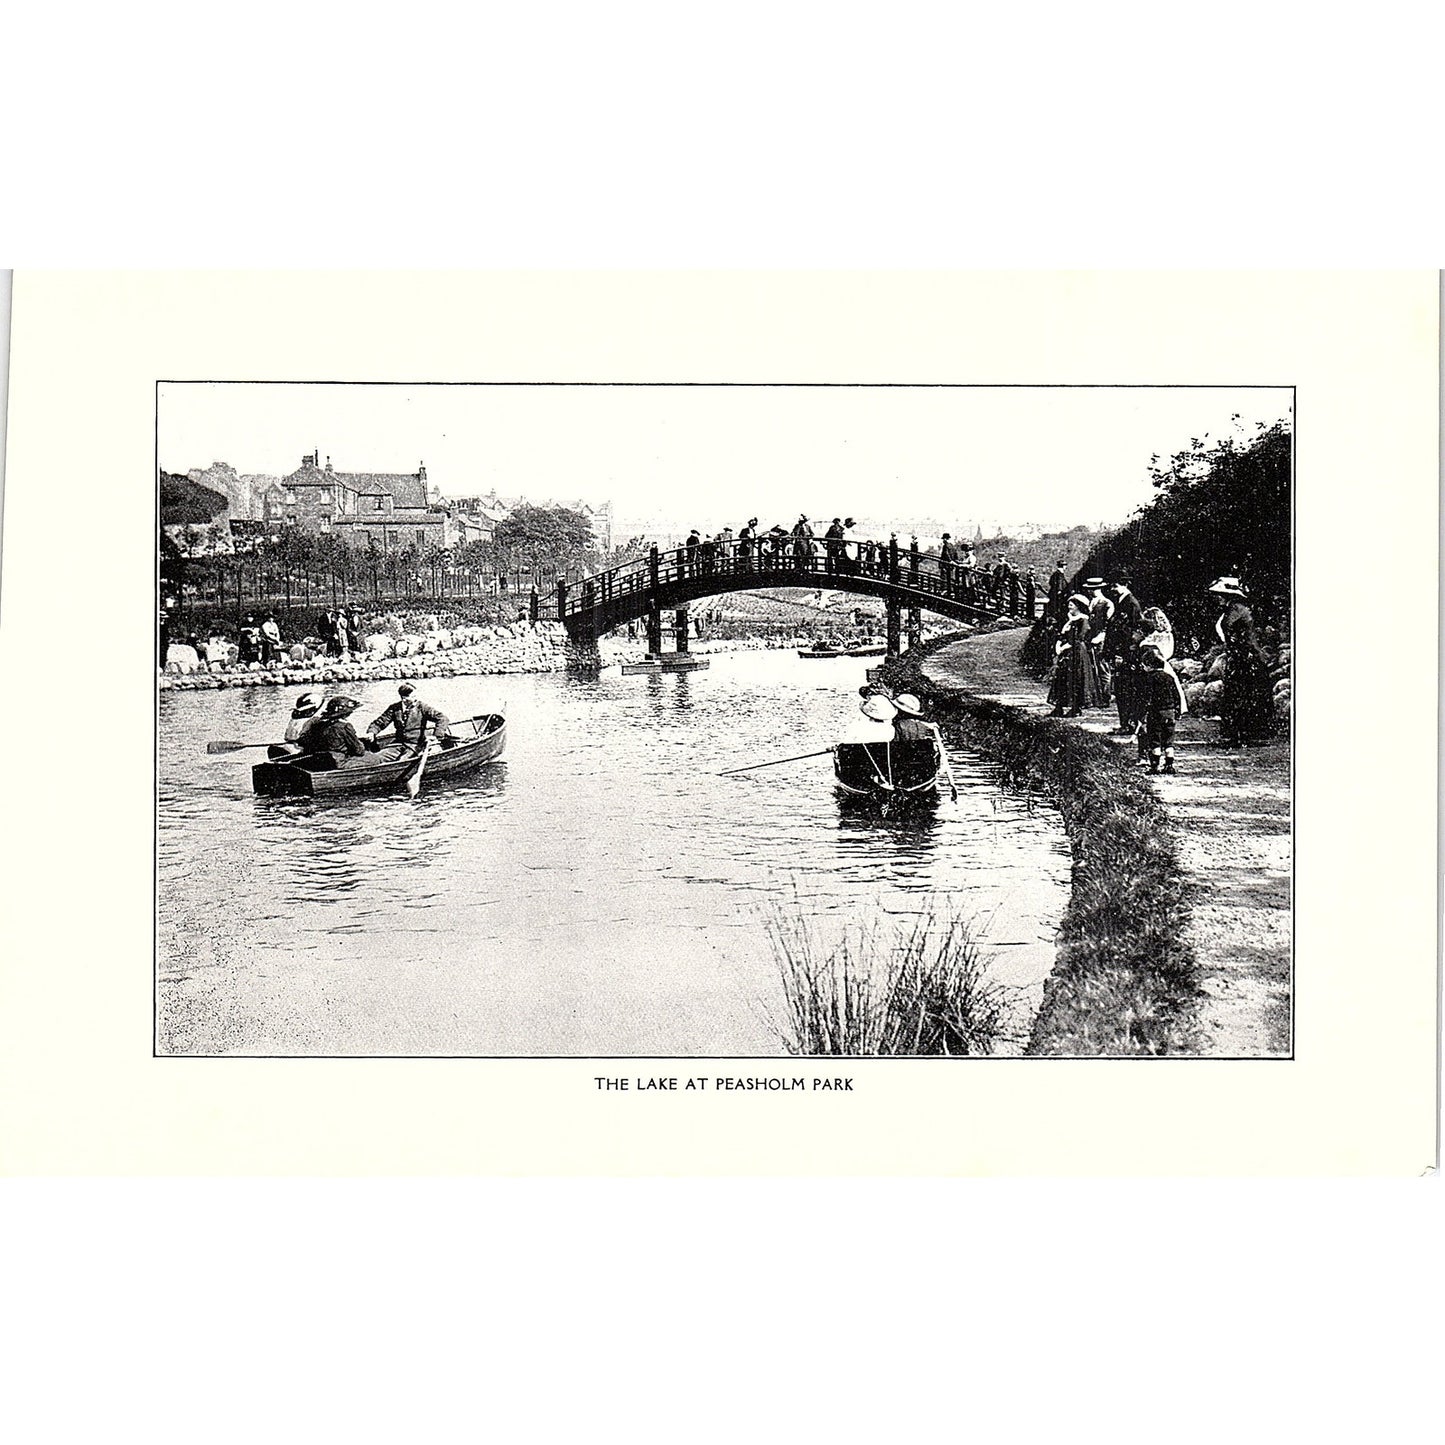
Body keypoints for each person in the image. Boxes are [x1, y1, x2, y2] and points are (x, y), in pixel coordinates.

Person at [1210, 576, 1273, 744]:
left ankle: (1245, 734)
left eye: (1219, 594)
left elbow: (1229, 629)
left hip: (1246, 655)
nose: (1216, 598)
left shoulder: (1236, 609)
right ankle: (1241, 733)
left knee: (1243, 694)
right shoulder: (1234, 608)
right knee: (1240, 693)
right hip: (1241, 654)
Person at [890, 693, 958, 799]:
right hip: (918, 763)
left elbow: (895, 743)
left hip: (902, 762)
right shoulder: (921, 726)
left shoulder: (897, 726)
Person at [365, 682, 453, 762]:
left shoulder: (422, 707)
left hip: (416, 745)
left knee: (402, 762)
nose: (416, 698)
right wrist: (372, 732)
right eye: (413, 696)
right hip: (398, 743)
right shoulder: (394, 708)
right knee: (378, 758)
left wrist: (436, 736)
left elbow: (442, 718)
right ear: (404, 698)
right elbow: (379, 723)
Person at [1048, 594, 1104, 717]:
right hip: (1066, 653)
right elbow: (1061, 634)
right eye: (1069, 605)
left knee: (1075, 679)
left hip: (1077, 653)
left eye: (1072, 605)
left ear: (1078, 606)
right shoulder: (1069, 619)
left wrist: (1065, 646)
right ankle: (1059, 707)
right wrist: (1058, 645)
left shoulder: (1083, 620)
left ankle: (1075, 708)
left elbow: (1080, 638)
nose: (1069, 607)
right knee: (1062, 678)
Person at [1104, 576, 1146, 735]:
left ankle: (1128, 724)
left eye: (1116, 585)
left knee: (1126, 689)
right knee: (1122, 689)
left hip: (1125, 655)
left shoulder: (1131, 604)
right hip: (1119, 653)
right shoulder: (1122, 601)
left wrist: (1122, 654)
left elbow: (1132, 633)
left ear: (1125, 585)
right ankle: (1125, 722)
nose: (1113, 589)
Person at [1137, 644, 1186, 773]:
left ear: (1150, 665)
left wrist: (1141, 714)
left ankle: (1154, 766)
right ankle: (1169, 765)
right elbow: (1176, 695)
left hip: (1155, 712)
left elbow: (1146, 698)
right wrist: (1178, 710)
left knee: (1155, 739)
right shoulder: (1169, 677)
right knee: (1169, 740)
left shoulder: (1148, 679)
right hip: (1169, 712)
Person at [299, 695, 368, 764]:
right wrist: (361, 744)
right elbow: (359, 751)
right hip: (338, 762)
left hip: (320, 758)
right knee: (374, 758)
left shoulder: (317, 723)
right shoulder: (345, 726)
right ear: (346, 713)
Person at [1047, 560, 1068, 624]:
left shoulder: (1055, 573)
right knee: (1057, 606)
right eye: (1065, 565)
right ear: (1063, 566)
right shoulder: (1059, 574)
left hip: (1054, 593)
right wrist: (1059, 590)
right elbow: (1060, 584)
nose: (1066, 567)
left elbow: (1050, 582)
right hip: (1057, 594)